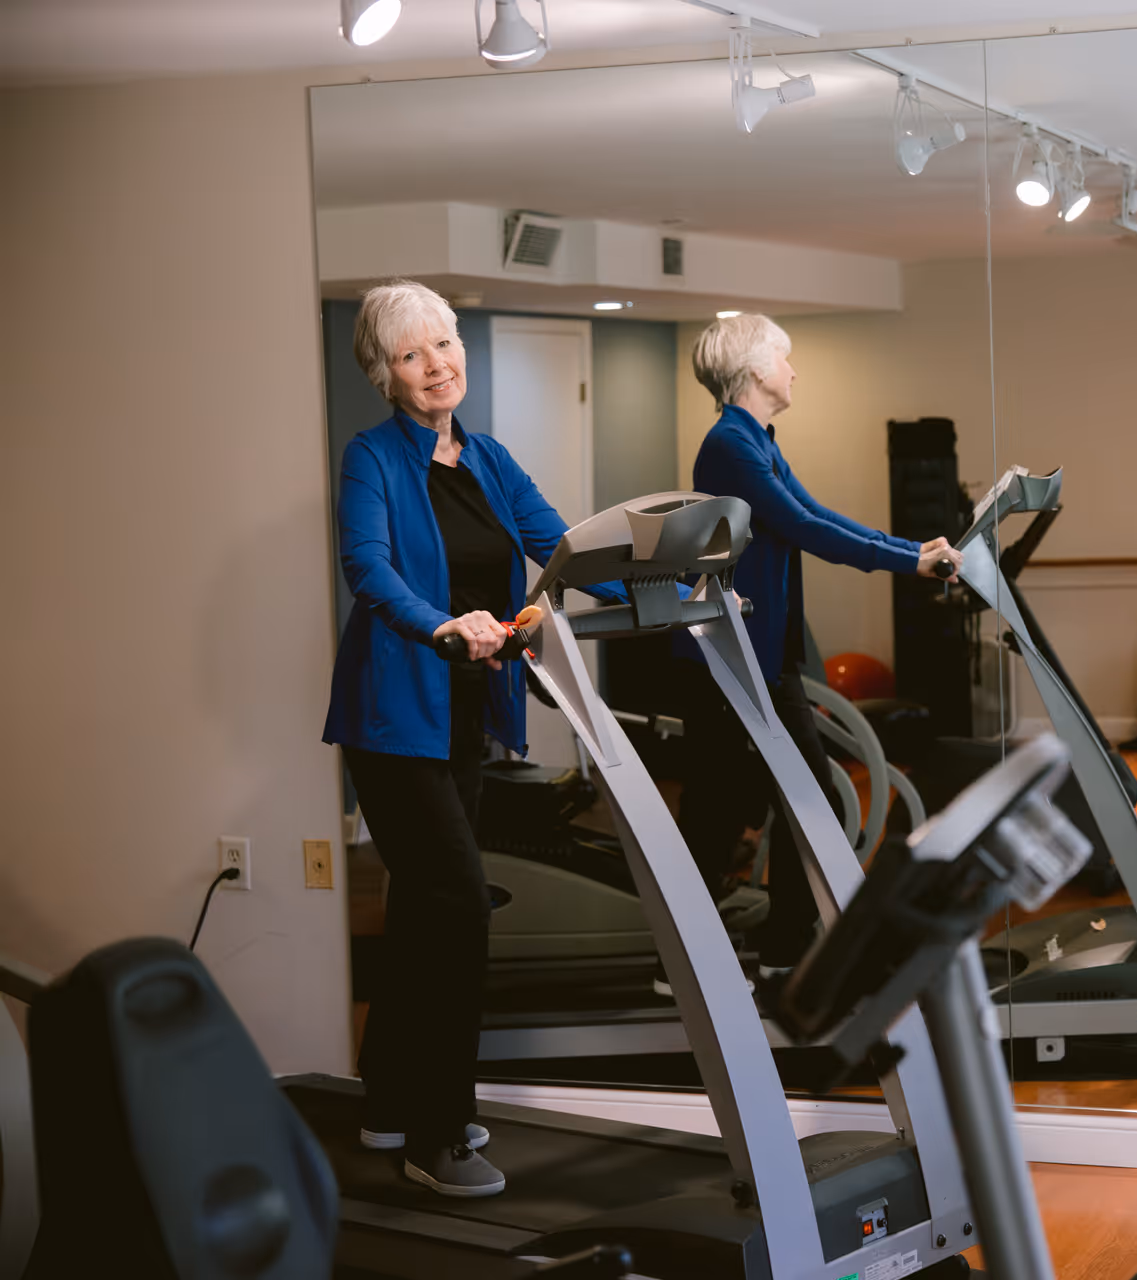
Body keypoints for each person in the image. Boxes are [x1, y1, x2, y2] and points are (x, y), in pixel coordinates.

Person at [321, 280, 623, 1199]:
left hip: (461, 720)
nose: (436, 367)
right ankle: (437, 1131)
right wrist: (444, 625)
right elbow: (367, 569)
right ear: (384, 373)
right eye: (412, 356)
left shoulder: (487, 458)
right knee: (457, 906)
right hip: (393, 716)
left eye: (444, 348)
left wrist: (670, 594)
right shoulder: (371, 457)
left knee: (422, 904)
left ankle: (386, 1101)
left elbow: (560, 546)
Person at [676, 314, 960, 979]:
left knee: (806, 800)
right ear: (754, 371)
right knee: (720, 815)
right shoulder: (728, 446)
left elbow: (819, 513)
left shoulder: (757, 441)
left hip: (763, 656)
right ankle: (691, 956)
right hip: (729, 658)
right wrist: (907, 564)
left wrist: (911, 551)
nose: (794, 369)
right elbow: (803, 527)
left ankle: (784, 947)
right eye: (786, 357)